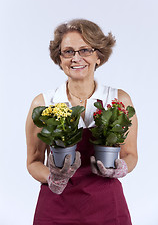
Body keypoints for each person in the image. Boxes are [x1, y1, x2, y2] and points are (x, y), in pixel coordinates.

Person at [25, 19, 138, 225]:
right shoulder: (43, 103)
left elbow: (130, 154)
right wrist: (53, 178)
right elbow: (33, 162)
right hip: (55, 208)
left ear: (98, 56)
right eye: (68, 51)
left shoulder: (119, 100)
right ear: (59, 59)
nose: (76, 58)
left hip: (108, 206)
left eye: (85, 50)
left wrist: (121, 167)